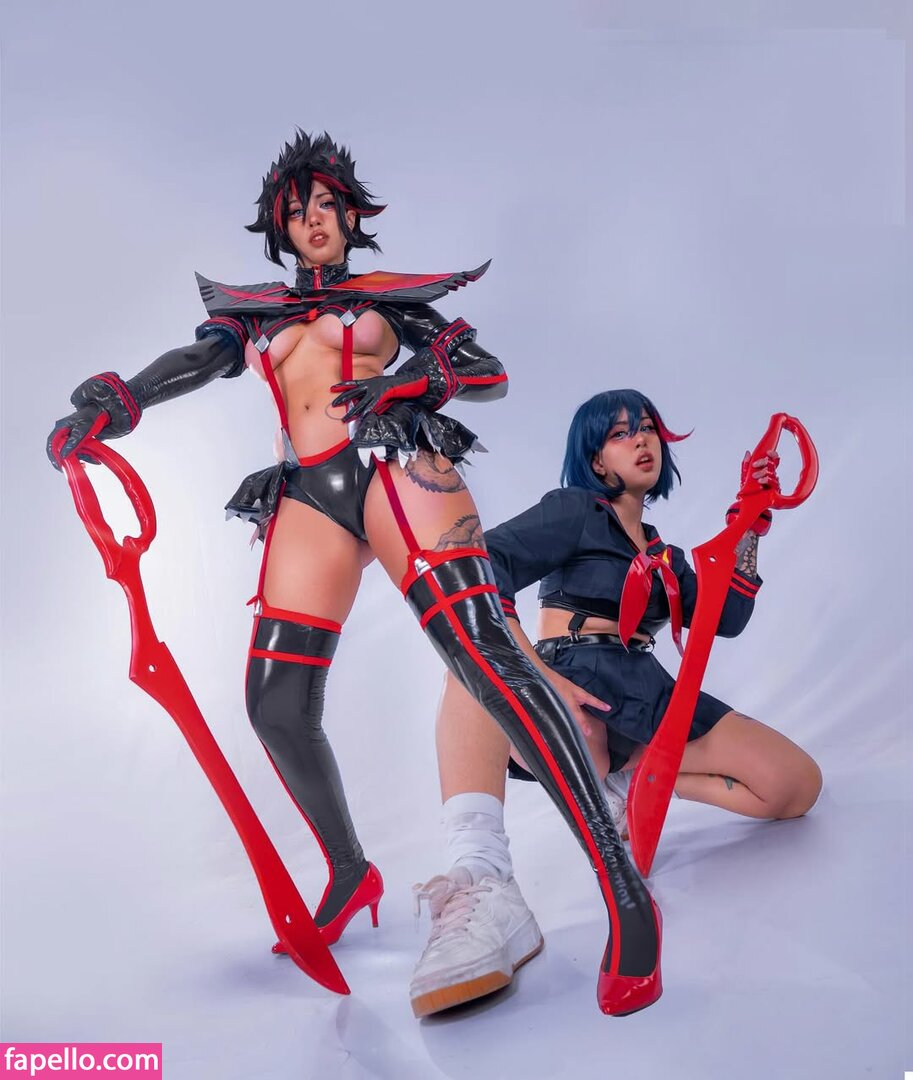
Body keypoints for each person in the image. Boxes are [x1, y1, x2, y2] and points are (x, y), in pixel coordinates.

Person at [47, 133, 661, 1018]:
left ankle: (621, 888)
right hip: (308, 492)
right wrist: (115, 405)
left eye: (327, 205)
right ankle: (348, 869)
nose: (314, 220)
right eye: (298, 211)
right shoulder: (254, 313)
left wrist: (406, 387)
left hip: (393, 467)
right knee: (274, 703)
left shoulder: (389, 299)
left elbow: (482, 370)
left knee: (484, 658)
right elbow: (198, 362)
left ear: (350, 215)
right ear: (280, 228)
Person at [413, 387, 822, 1015]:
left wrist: (752, 521)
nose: (641, 439)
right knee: (471, 662)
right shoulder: (574, 510)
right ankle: (480, 877)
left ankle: (637, 782)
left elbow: (729, 616)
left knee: (793, 785)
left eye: (648, 428)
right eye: (620, 432)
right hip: (571, 672)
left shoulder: (663, 555)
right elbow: (476, 568)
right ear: (597, 458)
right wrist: (537, 674)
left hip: (647, 688)